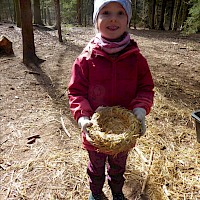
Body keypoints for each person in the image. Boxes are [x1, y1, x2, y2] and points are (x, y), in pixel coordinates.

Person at [68, 0, 154, 199]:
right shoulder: (86, 59)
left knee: (118, 165)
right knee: (96, 166)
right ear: (96, 20)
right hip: (94, 132)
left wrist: (140, 109)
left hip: (124, 132)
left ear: (128, 20)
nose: (113, 18)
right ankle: (96, 193)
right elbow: (76, 92)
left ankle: (117, 191)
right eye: (105, 12)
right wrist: (82, 116)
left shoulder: (137, 59)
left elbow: (145, 88)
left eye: (120, 13)